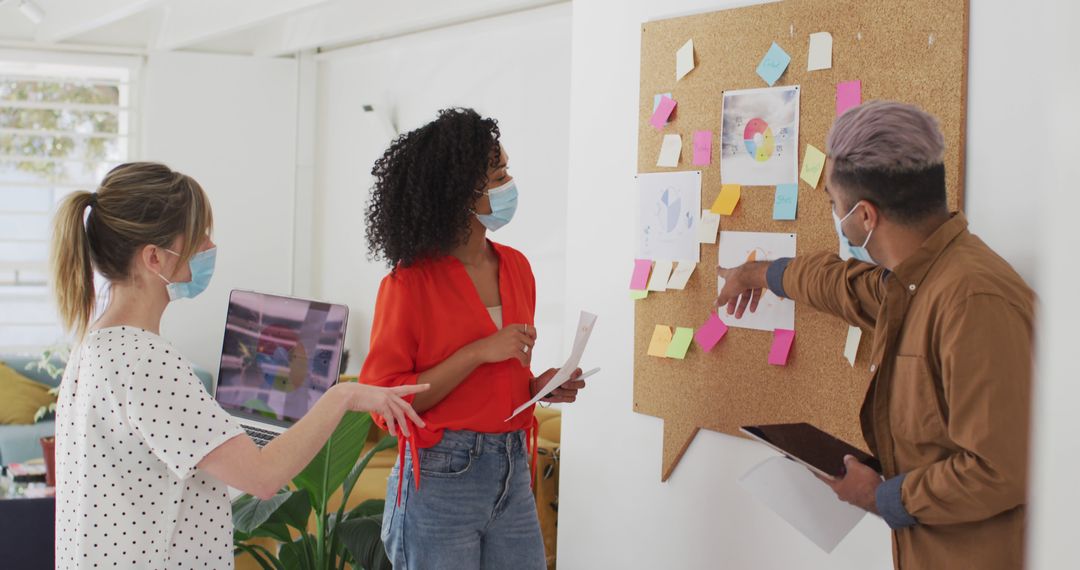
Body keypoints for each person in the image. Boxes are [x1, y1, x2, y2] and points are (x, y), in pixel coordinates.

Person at [50, 162, 427, 569]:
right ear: (155, 258)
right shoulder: (146, 360)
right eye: (198, 237)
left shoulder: (94, 344)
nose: (209, 246)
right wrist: (342, 395)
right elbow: (262, 477)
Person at [714, 101, 1034, 569]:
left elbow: (1002, 470)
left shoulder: (972, 299)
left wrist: (881, 496)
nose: (832, 213)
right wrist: (755, 273)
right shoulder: (916, 281)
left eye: (832, 203)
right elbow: (841, 285)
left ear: (864, 216)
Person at [359, 108, 587, 569]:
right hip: (440, 480)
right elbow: (387, 406)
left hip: (512, 470)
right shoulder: (408, 285)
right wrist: (478, 353)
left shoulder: (517, 268)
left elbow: (499, 384)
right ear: (460, 190)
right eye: (498, 174)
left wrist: (538, 386)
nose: (509, 184)